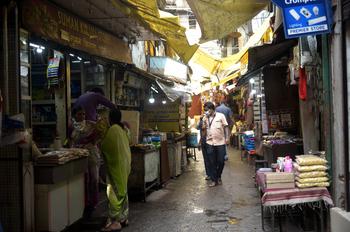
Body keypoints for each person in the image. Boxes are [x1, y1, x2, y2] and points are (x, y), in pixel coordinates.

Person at [100, 109, 131, 231]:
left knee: (113, 192)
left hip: (116, 166)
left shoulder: (113, 130)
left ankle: (115, 221)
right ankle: (123, 218)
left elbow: (105, 146)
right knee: (123, 191)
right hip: (124, 165)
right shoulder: (123, 129)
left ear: (110, 118)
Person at [69, 106, 101, 219]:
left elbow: (98, 137)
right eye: (79, 114)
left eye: (83, 114)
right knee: (84, 180)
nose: (82, 116)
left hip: (92, 155)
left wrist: (93, 139)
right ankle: (85, 203)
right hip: (79, 156)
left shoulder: (91, 125)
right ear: (74, 116)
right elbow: (70, 141)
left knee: (94, 179)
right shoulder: (71, 126)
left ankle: (94, 202)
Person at [203, 102, 230, 187]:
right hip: (209, 142)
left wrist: (227, 138)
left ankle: (218, 176)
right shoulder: (205, 118)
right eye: (205, 110)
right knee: (212, 162)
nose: (206, 111)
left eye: (207, 110)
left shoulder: (220, 116)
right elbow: (203, 130)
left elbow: (226, 127)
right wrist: (203, 122)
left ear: (212, 109)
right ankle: (214, 180)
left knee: (221, 161)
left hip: (220, 142)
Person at [197, 116, 211, 180]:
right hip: (205, 142)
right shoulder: (202, 121)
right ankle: (209, 174)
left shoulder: (209, 120)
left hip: (209, 142)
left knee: (209, 159)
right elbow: (201, 131)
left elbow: (201, 131)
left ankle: (210, 174)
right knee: (207, 159)